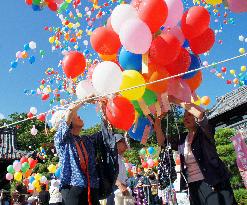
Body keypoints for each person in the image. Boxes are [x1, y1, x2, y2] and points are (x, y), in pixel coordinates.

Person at [153, 96, 237, 205]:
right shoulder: (182, 138)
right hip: (193, 186)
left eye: (189, 115)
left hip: (213, 182)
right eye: (184, 116)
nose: (185, 118)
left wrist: (174, 100)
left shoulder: (205, 132)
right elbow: (163, 143)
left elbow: (200, 114)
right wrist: (158, 123)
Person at [53, 97, 114, 205]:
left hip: (93, 189)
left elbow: (106, 132)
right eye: (76, 116)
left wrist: (104, 111)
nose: (80, 116)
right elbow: (70, 111)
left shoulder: (87, 140)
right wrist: (85, 100)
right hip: (74, 189)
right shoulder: (62, 140)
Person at [106, 134, 132, 205]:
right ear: (117, 143)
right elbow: (108, 173)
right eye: (123, 142)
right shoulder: (111, 157)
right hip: (115, 188)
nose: (126, 145)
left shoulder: (120, 158)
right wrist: (120, 185)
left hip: (122, 188)